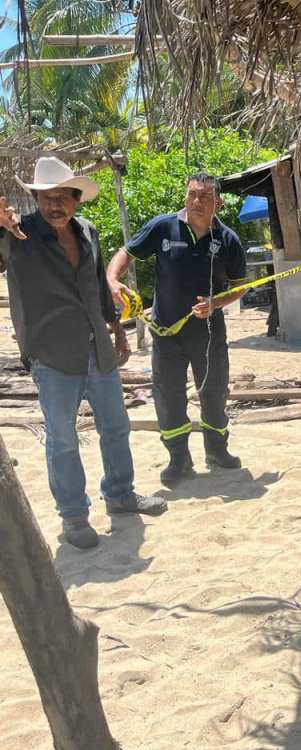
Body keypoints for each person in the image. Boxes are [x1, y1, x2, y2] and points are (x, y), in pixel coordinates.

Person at [0, 158, 167, 549]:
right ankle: (74, 518)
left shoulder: (88, 232)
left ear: (76, 200)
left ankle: (121, 495)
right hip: (52, 354)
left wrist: (117, 333)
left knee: (116, 426)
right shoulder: (16, 235)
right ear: (36, 199)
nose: (54, 205)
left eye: (62, 197)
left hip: (98, 348)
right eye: (45, 198)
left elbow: (96, 288)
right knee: (62, 439)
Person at [106, 173, 247, 486]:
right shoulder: (163, 227)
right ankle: (179, 460)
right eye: (192, 195)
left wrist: (217, 303)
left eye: (205, 197)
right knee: (169, 396)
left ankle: (217, 451)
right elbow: (126, 253)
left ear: (218, 202)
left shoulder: (228, 240)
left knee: (213, 391)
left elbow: (241, 287)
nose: (196, 202)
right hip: (166, 332)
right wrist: (112, 278)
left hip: (209, 333)